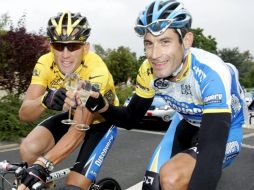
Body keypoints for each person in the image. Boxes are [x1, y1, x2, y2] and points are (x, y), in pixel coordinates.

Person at [85, 0, 245, 189]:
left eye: (165, 42)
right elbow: (130, 119)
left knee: (172, 177)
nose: (154, 54)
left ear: (186, 41)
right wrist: (102, 106)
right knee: (152, 184)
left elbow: (211, 153)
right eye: (149, 43)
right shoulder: (148, 70)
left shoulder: (210, 72)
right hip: (185, 123)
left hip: (224, 130)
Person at [18, 11, 118, 190]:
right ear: (51, 46)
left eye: (73, 46)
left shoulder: (96, 70)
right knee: (29, 148)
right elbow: (25, 113)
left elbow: (78, 130)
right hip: (72, 116)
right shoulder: (45, 62)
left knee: (74, 185)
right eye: (58, 46)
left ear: (85, 47)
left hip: (101, 122)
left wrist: (42, 165)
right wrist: (45, 100)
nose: (65, 55)